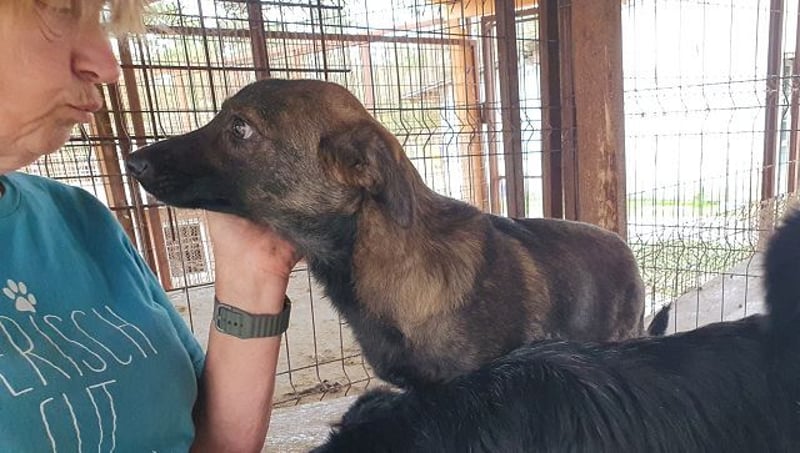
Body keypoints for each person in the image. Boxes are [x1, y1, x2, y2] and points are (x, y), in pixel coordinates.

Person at [0, 1, 299, 451]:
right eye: (62, 9)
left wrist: (252, 273)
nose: (107, 66)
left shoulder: (80, 219)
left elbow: (211, 443)